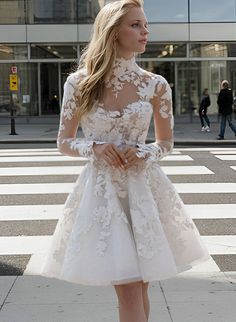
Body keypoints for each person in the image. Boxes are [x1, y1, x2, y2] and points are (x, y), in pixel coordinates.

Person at [29, 1, 210, 321]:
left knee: (140, 288)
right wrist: (94, 148)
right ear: (113, 32)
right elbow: (64, 142)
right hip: (103, 194)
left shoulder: (156, 85)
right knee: (129, 289)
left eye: (145, 25)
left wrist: (146, 151)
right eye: (136, 25)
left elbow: (166, 142)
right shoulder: (79, 82)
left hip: (145, 192)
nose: (145, 32)